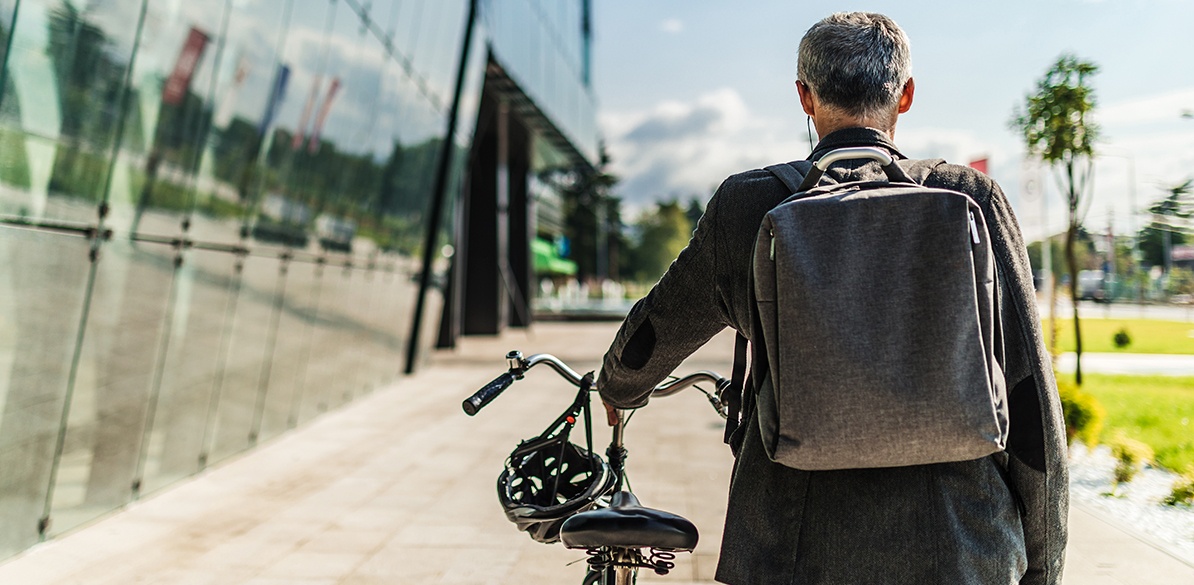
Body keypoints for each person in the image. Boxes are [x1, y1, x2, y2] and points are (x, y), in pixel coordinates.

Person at [596, 12, 1067, 585]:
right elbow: (1032, 405)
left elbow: (655, 333)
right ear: (906, 95)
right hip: (963, 545)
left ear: (805, 97)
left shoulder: (750, 206)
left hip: (791, 548)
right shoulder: (970, 198)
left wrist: (618, 387)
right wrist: (1044, 563)